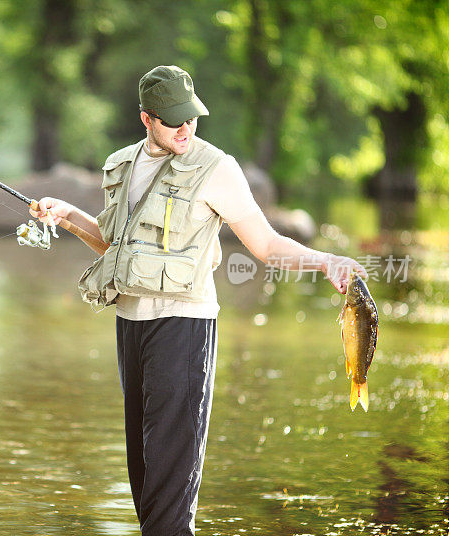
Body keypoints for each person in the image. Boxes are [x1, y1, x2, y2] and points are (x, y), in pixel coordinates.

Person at [30, 65, 367, 536]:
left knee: (170, 496)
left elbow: (266, 246)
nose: (185, 128)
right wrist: (67, 216)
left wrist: (325, 260)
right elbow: (115, 247)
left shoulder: (218, 169)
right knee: (144, 480)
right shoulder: (123, 163)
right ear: (147, 119)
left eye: (191, 117)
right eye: (172, 120)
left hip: (183, 328)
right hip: (130, 324)